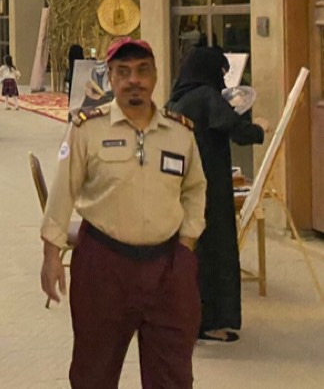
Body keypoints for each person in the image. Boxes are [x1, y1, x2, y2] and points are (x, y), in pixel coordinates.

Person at [40, 37, 207, 388]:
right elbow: (63, 191)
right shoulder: (87, 129)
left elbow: (194, 189)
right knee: (94, 371)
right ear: (110, 78)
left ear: (155, 76)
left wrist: (187, 244)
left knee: (172, 374)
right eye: (123, 72)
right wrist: (51, 254)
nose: (134, 80)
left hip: (168, 267)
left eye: (143, 71)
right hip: (104, 264)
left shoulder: (180, 133)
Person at [167, 47, 265, 343]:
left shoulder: (177, 99)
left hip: (182, 186)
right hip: (210, 185)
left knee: (192, 253)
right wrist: (260, 129)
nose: (223, 79)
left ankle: (187, 317)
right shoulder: (206, 96)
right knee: (215, 252)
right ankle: (213, 322)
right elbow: (237, 130)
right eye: (220, 73)